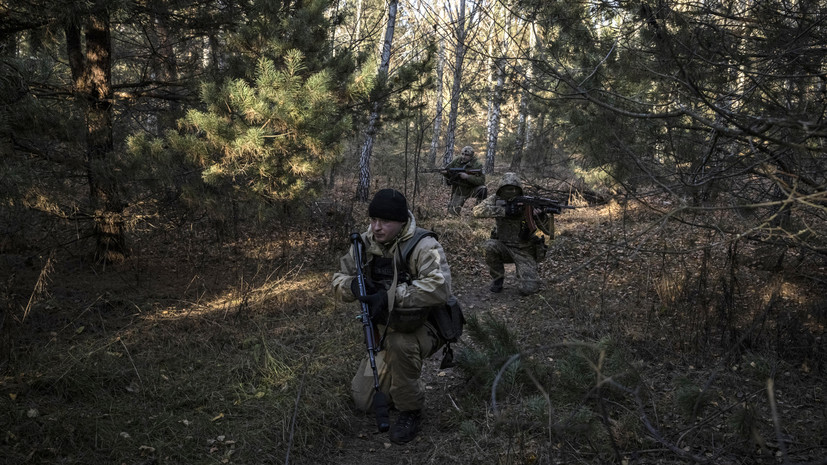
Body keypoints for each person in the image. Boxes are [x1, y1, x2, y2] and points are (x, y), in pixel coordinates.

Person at [332, 188, 452, 444]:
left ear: (401, 221)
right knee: (363, 400)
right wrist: (352, 286)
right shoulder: (363, 243)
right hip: (385, 327)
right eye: (373, 220)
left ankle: (411, 410)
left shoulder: (423, 244)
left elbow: (440, 287)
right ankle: (397, 384)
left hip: (423, 326)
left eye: (384, 221)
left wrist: (389, 296)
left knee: (401, 345)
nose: (376, 227)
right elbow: (338, 278)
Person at [472, 172, 547, 295]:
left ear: (519, 189)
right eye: (507, 189)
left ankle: (525, 274)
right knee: (488, 246)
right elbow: (476, 211)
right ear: (501, 189)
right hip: (503, 246)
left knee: (529, 289)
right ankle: (497, 279)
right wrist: (504, 211)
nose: (511, 192)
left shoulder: (528, 202)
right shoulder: (496, 199)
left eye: (514, 189)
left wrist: (541, 216)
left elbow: (546, 229)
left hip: (524, 250)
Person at [443, 145, 487, 216]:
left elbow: (481, 180)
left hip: (472, 188)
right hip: (460, 190)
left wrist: (468, 177)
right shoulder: (457, 160)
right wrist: (445, 173)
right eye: (462, 154)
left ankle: (479, 211)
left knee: (483, 190)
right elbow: (448, 170)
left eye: (467, 155)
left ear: (471, 156)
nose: (463, 156)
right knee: (452, 213)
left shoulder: (477, 164)